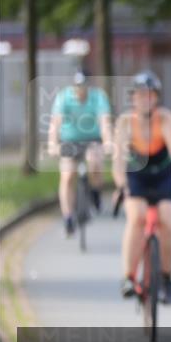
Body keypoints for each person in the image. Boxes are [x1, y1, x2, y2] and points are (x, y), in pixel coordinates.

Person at [112, 70, 171, 305]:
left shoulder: (165, 120)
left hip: (163, 176)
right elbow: (118, 160)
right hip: (138, 177)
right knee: (136, 218)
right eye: (140, 95)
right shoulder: (125, 122)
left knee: (169, 219)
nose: (145, 99)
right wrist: (121, 185)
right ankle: (129, 276)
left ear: (156, 98)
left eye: (150, 95)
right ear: (133, 98)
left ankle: (166, 278)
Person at [47, 70, 113, 236]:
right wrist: (53, 144)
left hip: (92, 138)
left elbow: (104, 122)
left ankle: (96, 193)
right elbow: (56, 123)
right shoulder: (64, 98)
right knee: (68, 175)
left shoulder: (98, 97)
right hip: (70, 140)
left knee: (94, 162)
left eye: (83, 86)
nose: (80, 90)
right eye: (77, 87)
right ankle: (68, 217)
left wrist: (108, 142)